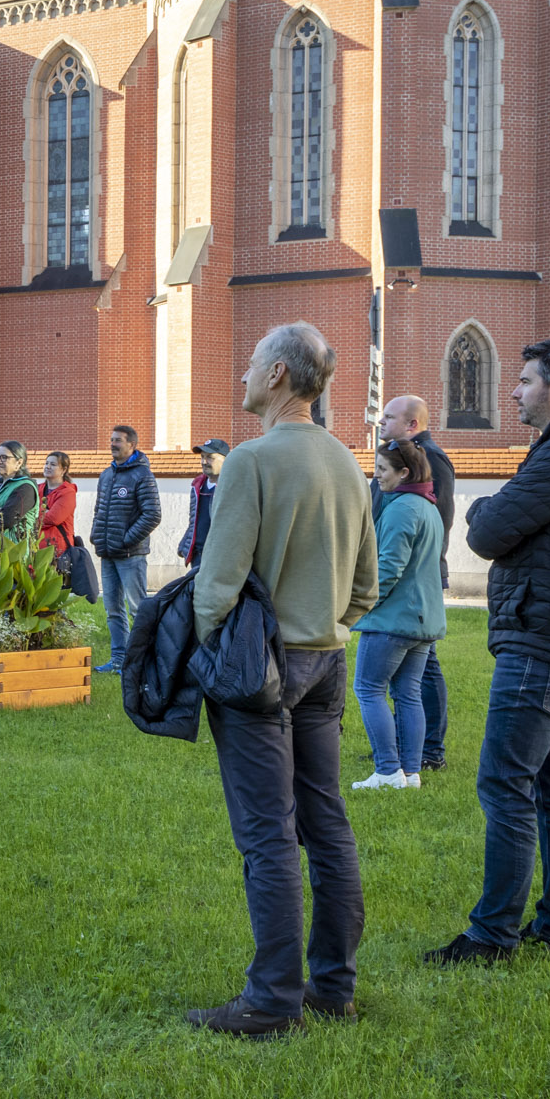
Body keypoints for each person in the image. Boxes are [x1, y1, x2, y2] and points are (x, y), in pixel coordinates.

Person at [186, 322, 376, 1037]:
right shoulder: (347, 460)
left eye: (252, 361)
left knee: (268, 835)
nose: (243, 372)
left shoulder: (251, 460)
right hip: (326, 658)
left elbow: (216, 583)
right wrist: (327, 623)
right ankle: (334, 987)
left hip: (261, 667)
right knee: (326, 824)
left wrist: (212, 649)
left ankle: (271, 1000)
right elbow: (367, 585)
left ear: (278, 376)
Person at [427, 339, 550, 967]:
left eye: (524, 380)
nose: (513, 390)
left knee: (505, 783)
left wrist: (488, 507)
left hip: (545, 638)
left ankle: (492, 936)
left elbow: (488, 531)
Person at [350, 441, 447, 791]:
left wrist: (362, 605)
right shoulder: (428, 506)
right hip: (422, 621)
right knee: (408, 694)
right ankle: (410, 773)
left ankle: (388, 772)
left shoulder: (401, 508)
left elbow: (388, 569)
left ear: (404, 473)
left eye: (382, 469)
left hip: (393, 621)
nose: (376, 475)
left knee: (368, 689)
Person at [378, 394, 458, 770]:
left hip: (414, 575)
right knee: (408, 671)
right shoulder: (397, 455)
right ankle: (405, 744)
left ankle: (429, 750)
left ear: (412, 424)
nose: (381, 421)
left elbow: (437, 519)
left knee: (423, 668)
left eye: (389, 417)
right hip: (402, 569)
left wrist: (421, 567)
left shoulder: (430, 457)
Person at [90, 424, 162, 675]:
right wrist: (96, 536)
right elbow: (99, 510)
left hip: (131, 555)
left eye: (118, 440)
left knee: (137, 609)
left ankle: (144, 663)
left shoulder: (142, 475)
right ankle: (119, 660)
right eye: (111, 440)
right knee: (113, 610)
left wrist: (126, 539)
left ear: (132, 445)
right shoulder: (106, 475)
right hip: (108, 553)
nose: (112, 444)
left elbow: (152, 515)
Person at [175, 438, 230, 570]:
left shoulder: (231, 487)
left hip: (221, 558)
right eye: (202, 457)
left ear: (226, 459)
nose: (204, 462)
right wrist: (185, 543)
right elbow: (194, 520)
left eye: (210, 457)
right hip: (198, 556)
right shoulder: (198, 485)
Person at [38, 451, 79, 561]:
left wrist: (35, 513)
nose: (48, 467)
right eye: (46, 463)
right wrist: (44, 512)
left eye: (53, 464)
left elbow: (53, 518)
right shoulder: (37, 489)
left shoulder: (68, 492)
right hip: (36, 547)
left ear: (64, 470)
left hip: (58, 549)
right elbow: (26, 514)